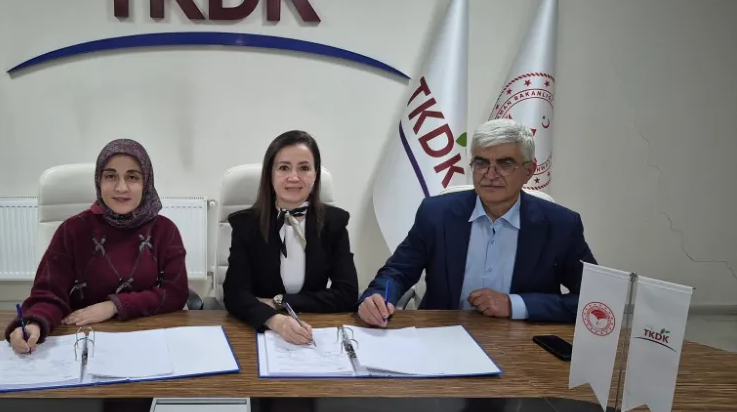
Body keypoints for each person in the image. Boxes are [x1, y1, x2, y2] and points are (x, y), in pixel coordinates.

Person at [359, 119, 596, 326]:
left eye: (505, 164)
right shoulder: (436, 213)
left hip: (523, 343)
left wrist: (515, 305)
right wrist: (377, 298)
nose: (490, 175)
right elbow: (397, 272)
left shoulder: (561, 225)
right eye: (481, 163)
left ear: (529, 170)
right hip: (442, 335)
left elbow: (594, 301)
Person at [6, 139, 189, 353]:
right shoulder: (72, 230)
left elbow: (175, 294)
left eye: (132, 177)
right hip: (81, 340)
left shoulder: (165, 231)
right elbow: (49, 294)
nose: (121, 187)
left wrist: (114, 306)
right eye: (110, 176)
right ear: (99, 181)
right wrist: (35, 323)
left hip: (146, 339)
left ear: (146, 182)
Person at [223, 130, 359, 345]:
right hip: (261, 330)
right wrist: (275, 321)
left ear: (315, 175)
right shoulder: (245, 224)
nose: (294, 177)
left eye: (304, 168)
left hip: (316, 331)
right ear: (270, 174)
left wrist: (281, 301)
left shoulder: (334, 223)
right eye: (284, 168)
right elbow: (235, 294)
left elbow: (347, 294)